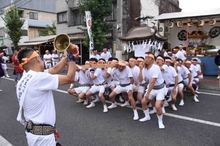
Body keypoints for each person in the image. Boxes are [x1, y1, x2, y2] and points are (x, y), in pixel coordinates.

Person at [16, 44, 77, 146]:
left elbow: (54, 70)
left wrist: (68, 56)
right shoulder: (38, 78)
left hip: (35, 131)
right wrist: (72, 57)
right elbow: (70, 78)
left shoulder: (26, 77)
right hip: (42, 138)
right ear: (37, 59)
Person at [138, 52, 166, 129]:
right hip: (152, 88)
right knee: (143, 102)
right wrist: (140, 69)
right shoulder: (144, 69)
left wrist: (147, 93)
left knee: (157, 106)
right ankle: (147, 116)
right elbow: (140, 79)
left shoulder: (156, 68)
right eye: (145, 57)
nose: (146, 59)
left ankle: (160, 121)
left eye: (148, 58)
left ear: (152, 60)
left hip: (160, 89)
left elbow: (153, 81)